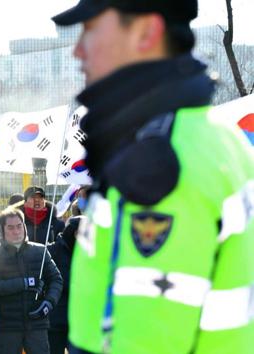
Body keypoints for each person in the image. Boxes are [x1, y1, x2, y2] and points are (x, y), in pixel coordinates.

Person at [52, 1, 254, 353]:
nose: (78, 49)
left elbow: (144, 338)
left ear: (147, 32)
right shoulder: (215, 139)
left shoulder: (159, 159)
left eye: (93, 29)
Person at [0, 207, 63, 354]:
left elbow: (56, 280)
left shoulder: (40, 251)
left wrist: (49, 303)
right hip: (7, 326)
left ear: (24, 227)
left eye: (19, 226)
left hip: (37, 325)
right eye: (10, 227)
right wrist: (26, 283)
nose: (16, 231)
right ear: (2, 230)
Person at [48, 216, 85, 354]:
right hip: (56, 320)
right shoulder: (53, 250)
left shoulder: (92, 253)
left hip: (81, 322)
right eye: (80, 233)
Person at [0, 186, 64, 250]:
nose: (37, 200)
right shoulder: (7, 221)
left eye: (40, 197)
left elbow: (62, 250)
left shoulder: (56, 224)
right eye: (33, 197)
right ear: (25, 203)